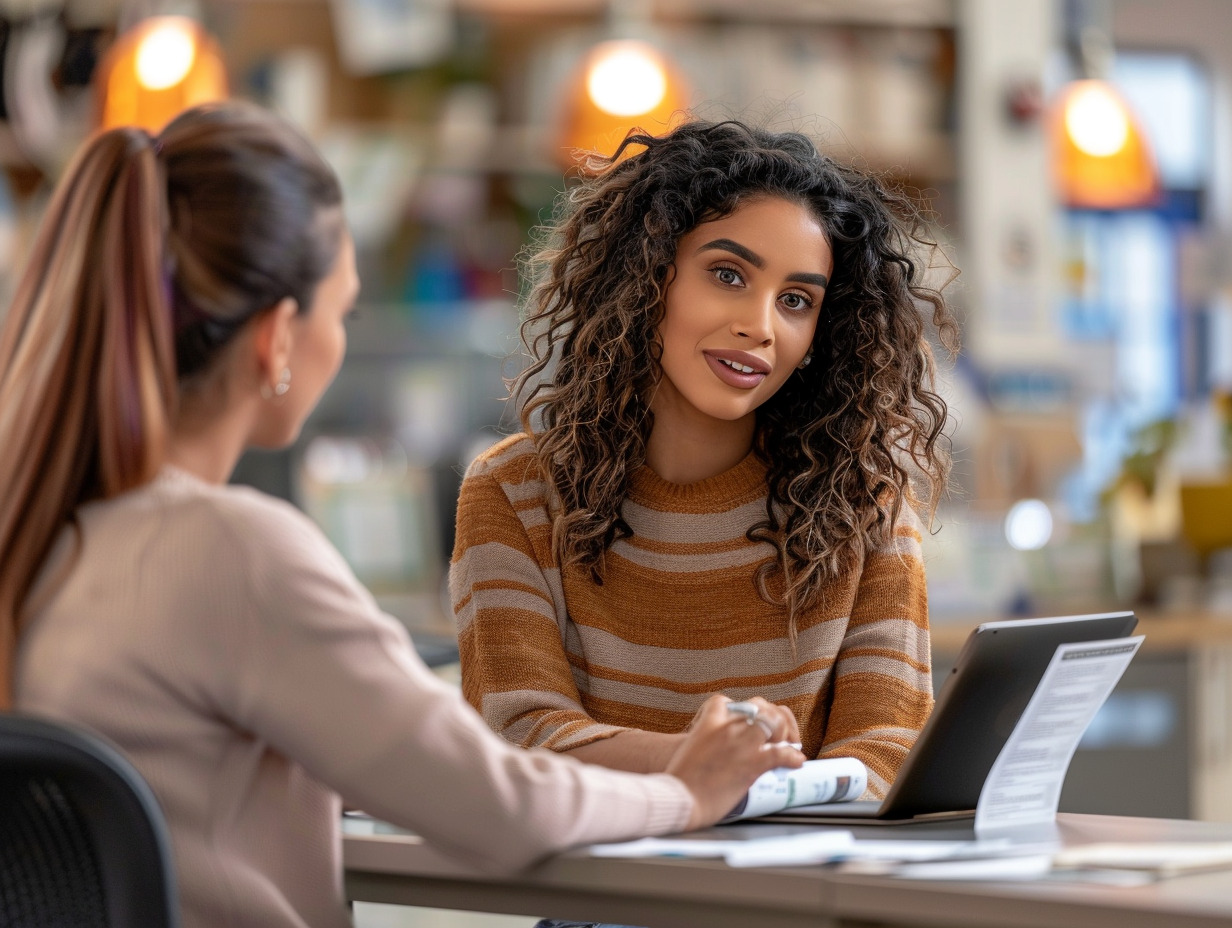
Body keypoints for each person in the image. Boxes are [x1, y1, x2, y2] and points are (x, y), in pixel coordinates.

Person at [0, 102, 805, 928]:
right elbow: (499, 806)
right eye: (341, 312)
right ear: (277, 337)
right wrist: (688, 788)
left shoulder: (45, 539)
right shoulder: (230, 552)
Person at [453, 119, 958, 800]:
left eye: (797, 300)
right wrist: (706, 760)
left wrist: (745, 776)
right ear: (649, 275)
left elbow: (887, 751)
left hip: (798, 895)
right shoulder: (512, 495)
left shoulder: (867, 509)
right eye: (728, 275)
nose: (762, 325)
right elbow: (520, 736)